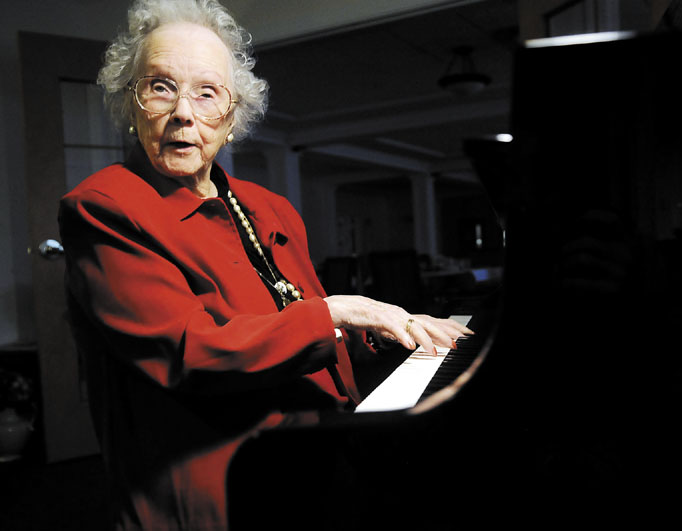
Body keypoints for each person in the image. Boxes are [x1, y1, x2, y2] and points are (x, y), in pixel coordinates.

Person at [58, 0, 471, 528]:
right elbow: (191, 353)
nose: (183, 111)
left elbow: (302, 318)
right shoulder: (104, 206)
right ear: (131, 103)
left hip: (322, 453)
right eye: (160, 86)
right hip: (221, 489)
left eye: (207, 93)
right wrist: (340, 313)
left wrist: (389, 330)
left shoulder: (268, 205)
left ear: (231, 118)